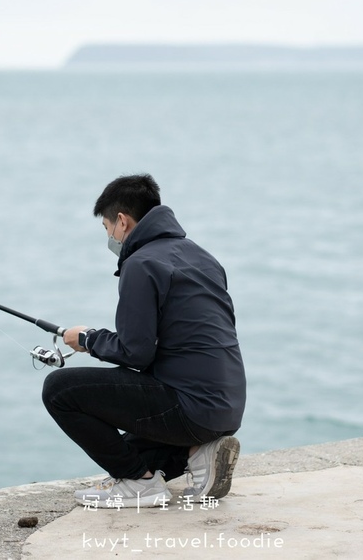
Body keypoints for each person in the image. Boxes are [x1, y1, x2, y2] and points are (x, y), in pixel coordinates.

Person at [42, 173, 246, 507]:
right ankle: (200, 451)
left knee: (59, 390)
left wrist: (88, 339)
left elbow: (135, 352)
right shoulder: (202, 257)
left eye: (106, 227)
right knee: (132, 452)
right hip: (225, 408)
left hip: (191, 407)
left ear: (122, 221)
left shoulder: (142, 264)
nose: (109, 236)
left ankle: (140, 485)